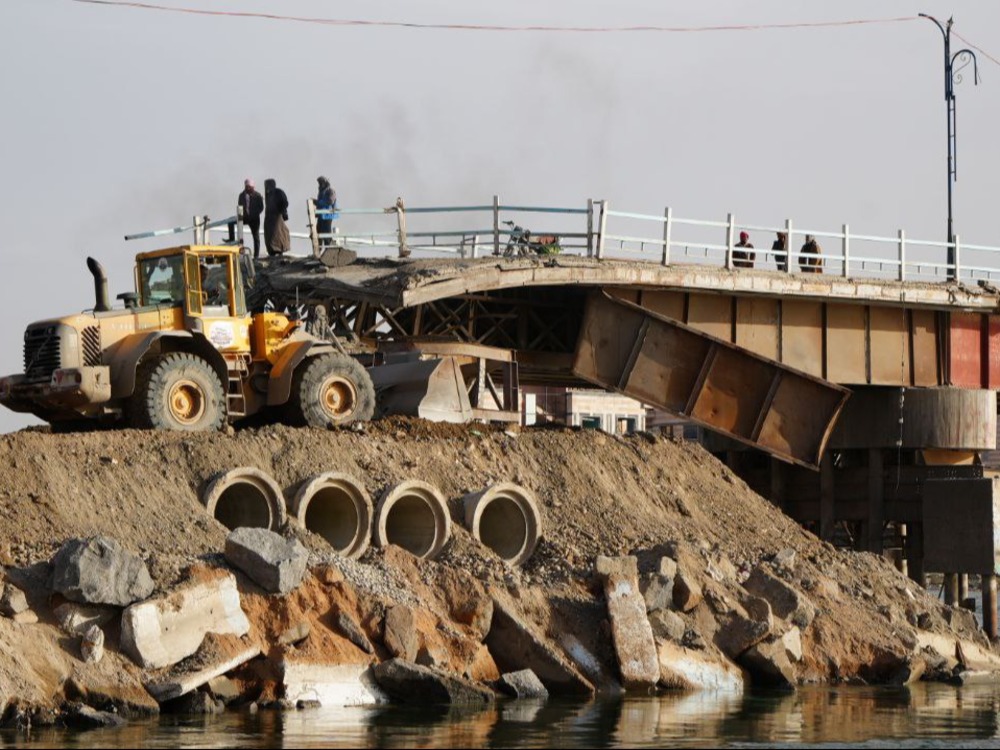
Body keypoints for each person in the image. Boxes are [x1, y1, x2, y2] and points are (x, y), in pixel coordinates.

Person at [237, 178, 265, 259]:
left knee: (256, 237)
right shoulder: (241, 195)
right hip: (245, 218)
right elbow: (239, 206)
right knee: (233, 225)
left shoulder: (257, 195)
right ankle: (232, 241)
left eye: (249, 186)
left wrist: (254, 214)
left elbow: (261, 207)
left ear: (253, 187)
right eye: (246, 186)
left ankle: (256, 256)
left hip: (254, 219)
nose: (248, 188)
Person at [263, 178, 291, 256]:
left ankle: (278, 250)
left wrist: (281, 211)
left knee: (278, 234)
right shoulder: (268, 194)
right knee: (269, 234)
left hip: (277, 217)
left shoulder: (278, 192)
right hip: (269, 217)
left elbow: (284, 202)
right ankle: (272, 251)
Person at [315, 176, 338, 249]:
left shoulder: (330, 191)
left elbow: (330, 201)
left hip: (327, 215)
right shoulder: (321, 192)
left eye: (321, 182)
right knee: (317, 232)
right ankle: (318, 250)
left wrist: (319, 202)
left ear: (325, 183)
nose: (320, 184)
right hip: (321, 215)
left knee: (326, 233)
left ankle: (329, 251)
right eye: (319, 183)